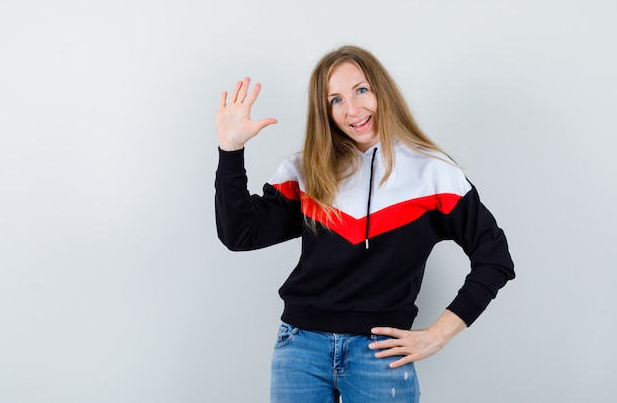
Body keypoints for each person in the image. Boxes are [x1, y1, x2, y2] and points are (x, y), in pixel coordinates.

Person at [214, 45, 515, 403]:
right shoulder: (306, 170)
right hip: (300, 349)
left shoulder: (433, 172)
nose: (352, 110)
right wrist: (230, 151)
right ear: (324, 111)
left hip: (380, 355)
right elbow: (241, 234)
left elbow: (495, 259)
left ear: (380, 90)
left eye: (360, 90)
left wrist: (438, 334)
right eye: (335, 100)